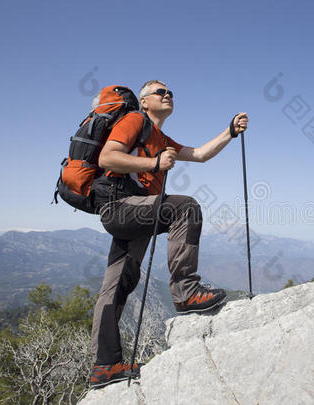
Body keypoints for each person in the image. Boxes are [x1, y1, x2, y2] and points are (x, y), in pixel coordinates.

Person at [89, 80, 248, 388]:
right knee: (185, 207)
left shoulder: (161, 136)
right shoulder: (135, 120)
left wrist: (229, 131)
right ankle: (185, 291)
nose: (168, 95)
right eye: (160, 92)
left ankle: (104, 366)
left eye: (171, 92)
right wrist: (154, 162)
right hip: (121, 204)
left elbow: (200, 154)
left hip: (133, 210)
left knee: (117, 285)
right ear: (145, 102)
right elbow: (107, 158)